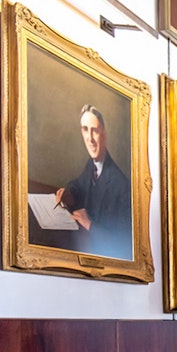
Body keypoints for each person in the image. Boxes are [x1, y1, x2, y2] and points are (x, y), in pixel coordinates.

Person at [54, 104, 132, 258]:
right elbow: (79, 184)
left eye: (95, 131)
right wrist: (69, 194)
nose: (90, 139)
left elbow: (124, 242)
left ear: (104, 134)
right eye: (85, 130)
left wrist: (89, 224)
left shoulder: (121, 185)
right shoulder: (91, 164)